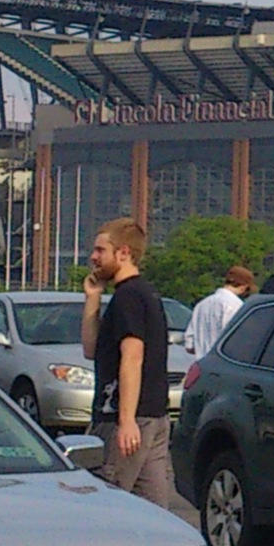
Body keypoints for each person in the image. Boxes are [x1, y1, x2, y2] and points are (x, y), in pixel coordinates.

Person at [80, 218, 173, 509]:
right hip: (154, 417)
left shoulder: (129, 297)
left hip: (126, 420)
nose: (93, 257)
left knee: (106, 503)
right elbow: (91, 350)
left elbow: (133, 357)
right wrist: (93, 298)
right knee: (152, 509)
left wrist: (126, 420)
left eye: (100, 250)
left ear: (123, 253)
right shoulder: (143, 293)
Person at [184, 265, 257, 354]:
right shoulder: (236, 306)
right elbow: (235, 340)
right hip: (224, 360)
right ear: (244, 287)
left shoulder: (201, 305)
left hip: (202, 361)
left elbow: (189, 346)